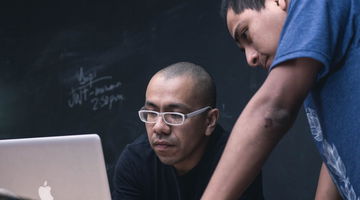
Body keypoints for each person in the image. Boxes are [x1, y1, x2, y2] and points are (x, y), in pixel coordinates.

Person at [201, 0, 359, 199]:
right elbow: (336, 151)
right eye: (243, 49)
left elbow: (272, 110)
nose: (250, 58)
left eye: (245, 34)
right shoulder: (315, 71)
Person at [112, 62, 264, 200]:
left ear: (209, 121)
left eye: (174, 115)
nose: (159, 127)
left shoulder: (237, 160)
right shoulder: (136, 161)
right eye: (152, 113)